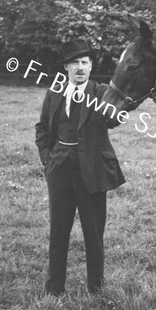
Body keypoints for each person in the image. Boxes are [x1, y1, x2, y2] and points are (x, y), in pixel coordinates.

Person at [35, 39, 125, 296]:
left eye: (84, 62)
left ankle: (96, 287)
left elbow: (115, 118)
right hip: (60, 167)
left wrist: (118, 112)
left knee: (94, 232)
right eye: (74, 62)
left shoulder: (102, 93)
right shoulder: (54, 92)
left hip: (93, 169)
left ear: (91, 65)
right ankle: (54, 288)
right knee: (58, 230)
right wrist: (47, 159)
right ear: (66, 67)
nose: (80, 67)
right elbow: (41, 128)